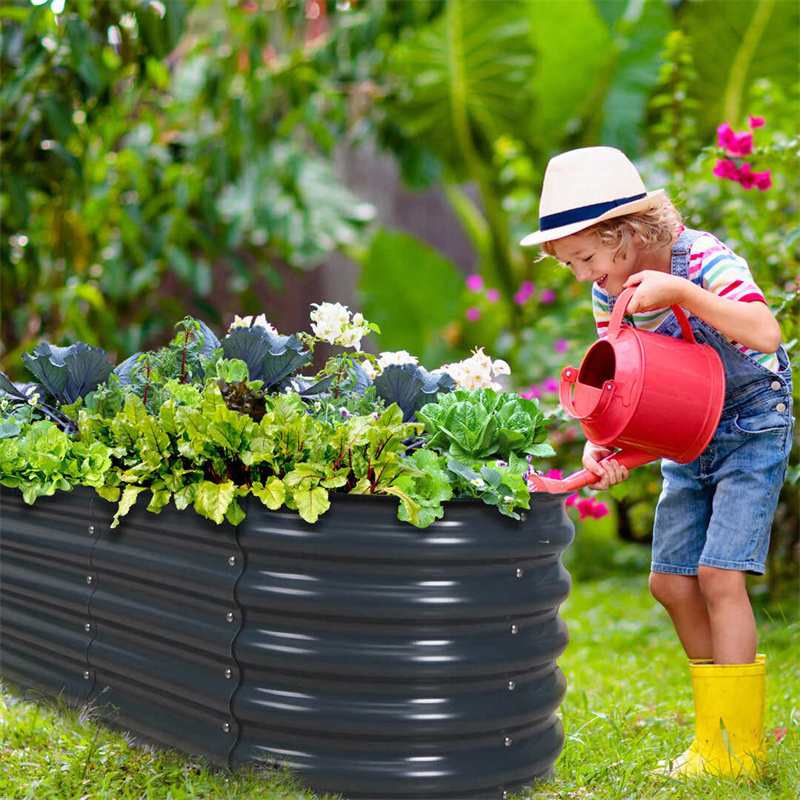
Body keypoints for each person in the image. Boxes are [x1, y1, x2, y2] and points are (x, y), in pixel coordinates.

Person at [520, 146, 794, 779]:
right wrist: (602, 446)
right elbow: (627, 392)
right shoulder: (606, 297)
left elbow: (765, 333)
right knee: (670, 583)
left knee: (720, 576)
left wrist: (682, 293)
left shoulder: (702, 260)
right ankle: (717, 731)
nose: (582, 276)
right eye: (569, 265)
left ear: (624, 233)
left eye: (584, 257)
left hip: (752, 423)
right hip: (683, 433)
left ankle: (737, 748)